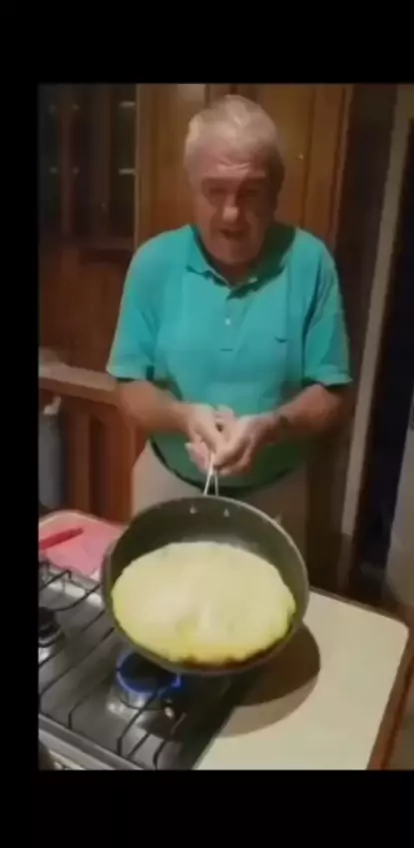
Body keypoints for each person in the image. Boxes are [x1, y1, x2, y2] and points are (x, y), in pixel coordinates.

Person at [107, 95, 352, 555]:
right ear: (192, 188)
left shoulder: (311, 262)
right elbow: (127, 387)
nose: (231, 214)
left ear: (275, 193)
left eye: (250, 192)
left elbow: (331, 393)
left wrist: (273, 425)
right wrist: (183, 417)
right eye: (214, 191)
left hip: (275, 498)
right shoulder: (153, 262)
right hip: (168, 485)